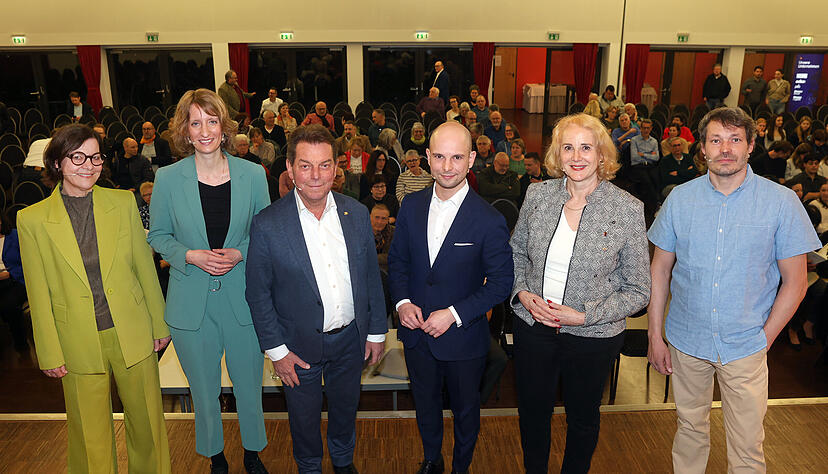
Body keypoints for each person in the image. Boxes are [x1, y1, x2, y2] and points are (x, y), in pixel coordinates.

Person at [647, 107, 820, 473]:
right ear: (703, 149)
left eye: (735, 140)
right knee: (689, 429)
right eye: (716, 140)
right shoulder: (680, 198)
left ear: (750, 145)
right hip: (686, 341)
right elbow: (659, 270)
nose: (725, 149)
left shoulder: (781, 202)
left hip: (745, 345)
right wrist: (655, 336)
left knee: (746, 445)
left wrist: (765, 337)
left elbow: (797, 282)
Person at [19, 123, 171, 473]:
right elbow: (37, 293)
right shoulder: (32, 220)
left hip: (132, 329)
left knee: (147, 424)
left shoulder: (122, 202)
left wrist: (159, 322)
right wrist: (49, 350)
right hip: (76, 339)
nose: (89, 165)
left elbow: (143, 269)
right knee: (90, 437)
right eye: (78, 157)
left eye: (95, 156)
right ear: (57, 163)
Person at [509, 113, 650, 474]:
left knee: (583, 418)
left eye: (586, 147)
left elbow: (638, 291)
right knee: (532, 413)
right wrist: (522, 293)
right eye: (568, 147)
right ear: (557, 153)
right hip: (534, 328)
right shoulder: (537, 195)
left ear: (602, 154)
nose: (577, 156)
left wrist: (584, 315)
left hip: (593, 336)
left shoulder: (627, 209)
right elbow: (515, 253)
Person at [246, 124, 388, 474]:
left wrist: (376, 332)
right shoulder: (267, 224)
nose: (315, 175)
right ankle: (309, 467)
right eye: (305, 165)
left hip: (350, 342)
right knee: (304, 421)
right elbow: (257, 293)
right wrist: (277, 352)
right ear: (291, 170)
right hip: (296, 349)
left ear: (336, 169)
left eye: (324, 165)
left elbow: (371, 276)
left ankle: (342, 461)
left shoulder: (355, 213)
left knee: (345, 410)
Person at [147, 88, 270, 474]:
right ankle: (217, 458)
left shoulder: (253, 174)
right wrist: (189, 255)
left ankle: (253, 454)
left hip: (243, 300)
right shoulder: (166, 178)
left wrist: (240, 253)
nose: (204, 131)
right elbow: (158, 235)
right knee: (203, 391)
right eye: (194, 122)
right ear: (184, 129)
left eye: (211, 121)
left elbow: (264, 234)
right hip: (190, 303)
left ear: (224, 126)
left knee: (249, 386)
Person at [388, 121, 513, 474]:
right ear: (427, 158)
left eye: (456, 157)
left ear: (471, 159)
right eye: (439, 157)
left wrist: (455, 314)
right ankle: (432, 460)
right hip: (416, 335)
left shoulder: (488, 220)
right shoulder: (410, 206)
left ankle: (461, 467)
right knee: (425, 406)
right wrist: (401, 303)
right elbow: (397, 262)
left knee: (465, 412)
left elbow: (501, 283)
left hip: (463, 337)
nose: (447, 166)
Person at [370, 203, 394, 273]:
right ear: (370, 217)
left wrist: (371, 258)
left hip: (387, 273)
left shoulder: (394, 233)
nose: (379, 222)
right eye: (377, 217)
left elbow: (393, 256)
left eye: (383, 218)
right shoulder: (361, 232)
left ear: (387, 221)